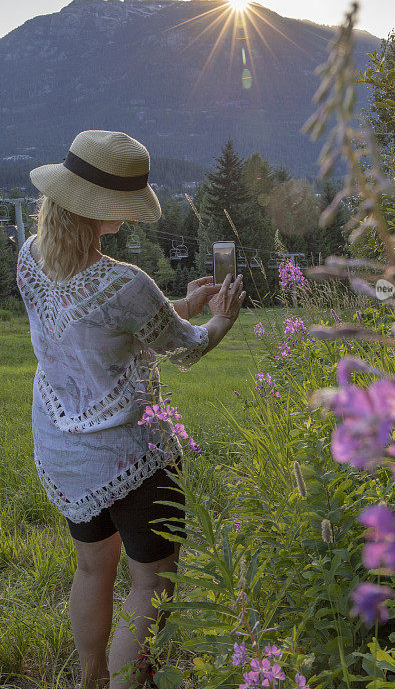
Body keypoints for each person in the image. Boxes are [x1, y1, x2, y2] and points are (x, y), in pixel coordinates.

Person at [16, 130, 245, 689]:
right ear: (108, 210)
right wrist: (219, 318)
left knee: (93, 569)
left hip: (64, 448)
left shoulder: (29, 258)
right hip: (130, 458)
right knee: (152, 583)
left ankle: (90, 679)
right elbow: (184, 344)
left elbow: (100, 327)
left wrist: (184, 303)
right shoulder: (126, 283)